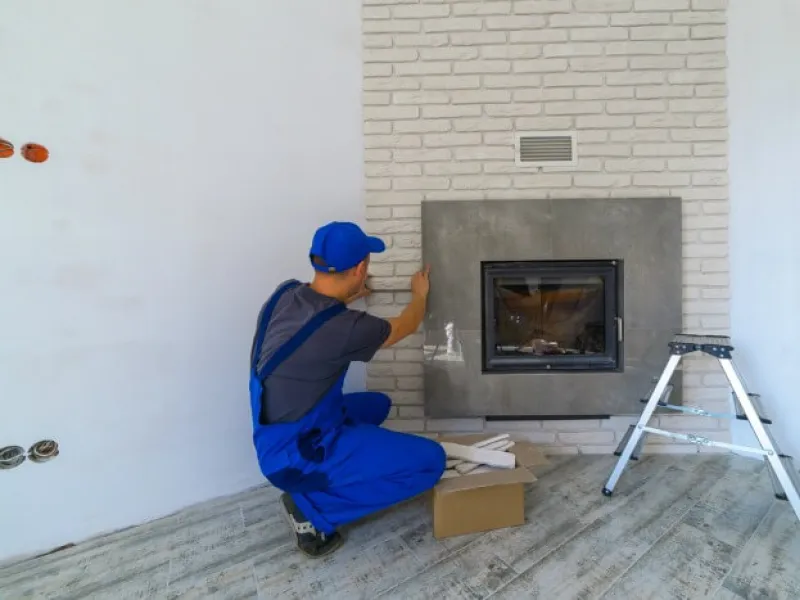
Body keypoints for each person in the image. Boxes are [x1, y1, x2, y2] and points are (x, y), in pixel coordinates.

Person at [248, 221, 446, 558]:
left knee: (377, 405)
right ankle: (313, 510)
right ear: (360, 269)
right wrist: (420, 295)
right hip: (297, 455)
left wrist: (351, 293)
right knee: (431, 462)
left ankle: (338, 468)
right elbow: (407, 324)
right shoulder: (347, 328)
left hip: (276, 433)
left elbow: (322, 326)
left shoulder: (286, 293)